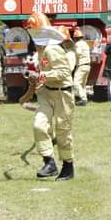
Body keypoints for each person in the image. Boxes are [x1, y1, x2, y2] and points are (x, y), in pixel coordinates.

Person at [24, 12, 76, 181]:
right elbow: (45, 71)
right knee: (39, 125)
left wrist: (41, 76)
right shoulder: (41, 48)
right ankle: (49, 163)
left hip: (62, 93)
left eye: (32, 29)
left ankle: (68, 167)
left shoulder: (53, 48)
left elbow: (63, 72)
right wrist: (35, 76)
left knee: (62, 132)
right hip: (46, 92)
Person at [72, 28, 91, 106]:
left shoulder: (78, 44)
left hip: (81, 65)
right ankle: (84, 100)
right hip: (87, 66)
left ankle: (82, 98)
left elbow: (78, 53)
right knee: (82, 84)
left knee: (76, 83)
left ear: (76, 38)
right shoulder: (85, 43)